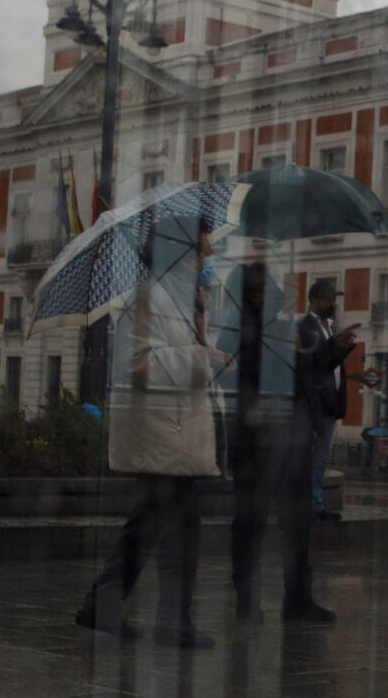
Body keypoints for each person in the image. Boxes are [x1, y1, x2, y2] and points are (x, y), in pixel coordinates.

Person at [74, 213, 229, 649]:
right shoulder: (146, 298)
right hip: (161, 433)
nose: (209, 255)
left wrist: (206, 350)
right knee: (162, 526)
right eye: (202, 247)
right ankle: (150, 615)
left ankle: (153, 615)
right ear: (179, 251)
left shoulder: (184, 298)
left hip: (177, 432)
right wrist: (201, 360)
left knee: (169, 526)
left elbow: (180, 360)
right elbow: (137, 363)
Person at [219, 263, 334, 624]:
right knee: (250, 521)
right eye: (259, 292)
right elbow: (228, 381)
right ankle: (247, 600)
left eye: (269, 292)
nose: (266, 298)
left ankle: (298, 598)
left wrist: (327, 350)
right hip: (253, 441)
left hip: (291, 440)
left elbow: (308, 373)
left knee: (297, 521)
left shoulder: (285, 328)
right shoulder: (232, 334)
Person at [296, 278, 357, 522]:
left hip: (330, 403)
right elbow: (313, 364)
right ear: (314, 301)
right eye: (328, 299)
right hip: (314, 403)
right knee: (313, 456)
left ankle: (315, 503)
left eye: (334, 299)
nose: (333, 303)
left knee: (322, 457)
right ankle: (313, 504)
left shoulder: (331, 326)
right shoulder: (305, 327)